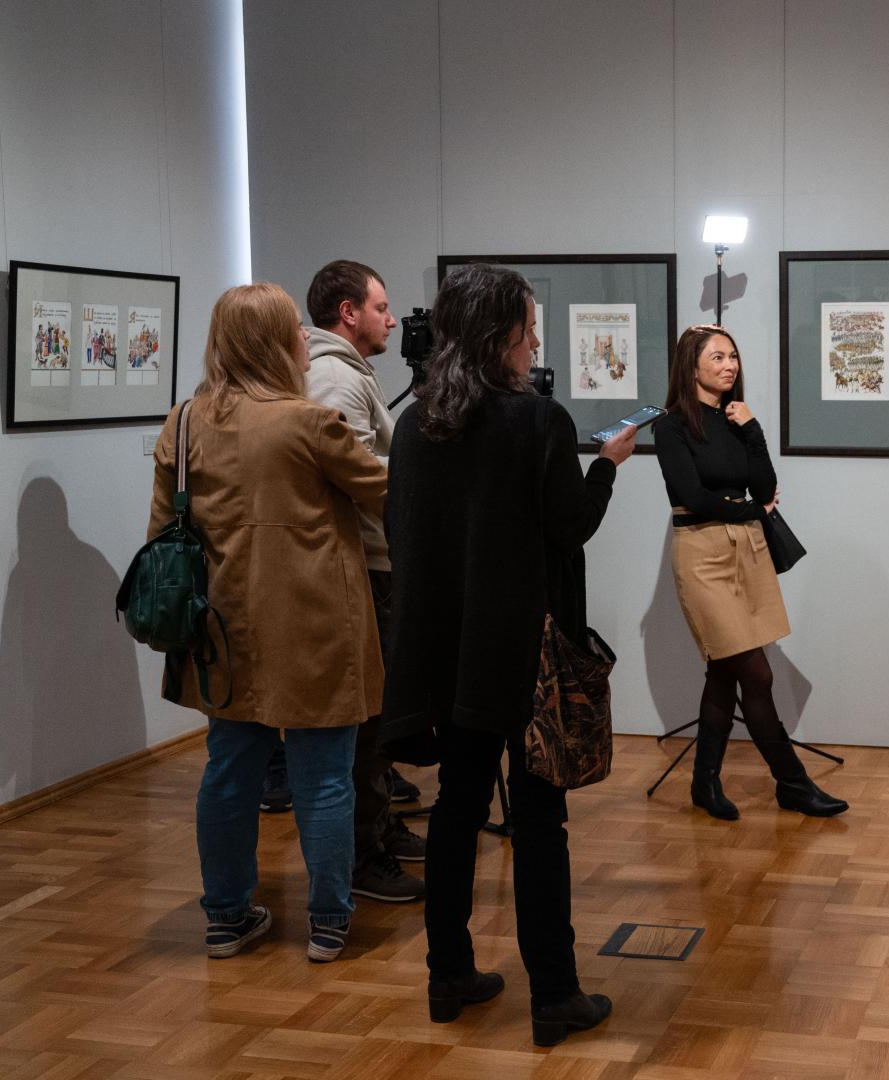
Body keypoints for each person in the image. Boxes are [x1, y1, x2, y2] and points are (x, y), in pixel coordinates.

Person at [382, 265, 635, 1043]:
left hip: (449, 654)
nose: (534, 343)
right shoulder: (538, 421)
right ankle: (553, 995)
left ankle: (448, 974)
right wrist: (607, 466)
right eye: (527, 328)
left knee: (456, 809)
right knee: (539, 823)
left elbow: (403, 535)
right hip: (527, 655)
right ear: (500, 335)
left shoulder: (415, 424)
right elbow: (570, 525)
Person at [147, 282, 388, 962]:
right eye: (295, 331)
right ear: (278, 343)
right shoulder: (308, 422)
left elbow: (160, 529)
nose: (305, 340)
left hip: (221, 627)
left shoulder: (184, 422)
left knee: (229, 772)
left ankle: (226, 917)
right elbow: (387, 494)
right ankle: (328, 922)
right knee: (325, 776)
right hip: (315, 623)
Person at [654, 324, 847, 821]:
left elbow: (763, 485)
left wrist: (754, 428)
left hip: (748, 551)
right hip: (702, 554)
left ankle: (704, 782)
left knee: (724, 671)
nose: (729, 365)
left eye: (733, 356)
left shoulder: (737, 418)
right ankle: (792, 782)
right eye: (717, 357)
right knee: (756, 674)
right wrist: (751, 512)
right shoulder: (670, 426)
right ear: (691, 365)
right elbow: (693, 496)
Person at [289, 258, 428, 905]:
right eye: (380, 307)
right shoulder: (334, 380)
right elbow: (353, 481)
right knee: (369, 716)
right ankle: (365, 855)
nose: (392, 320)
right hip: (367, 568)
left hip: (375, 564)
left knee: (380, 712)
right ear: (347, 313)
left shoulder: (346, 373)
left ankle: (378, 831)